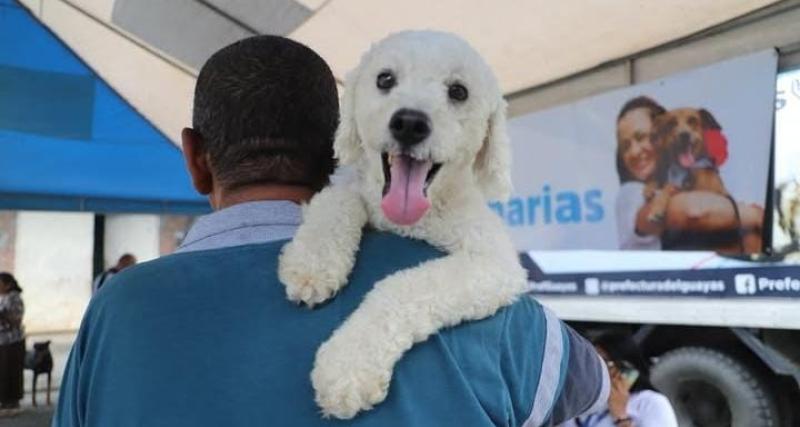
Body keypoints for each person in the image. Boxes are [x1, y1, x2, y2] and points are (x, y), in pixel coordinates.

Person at [54, 35, 608, 426]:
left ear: (195, 159)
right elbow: (594, 388)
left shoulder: (114, 311)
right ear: (338, 149)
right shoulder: (491, 312)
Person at [614, 96, 763, 252]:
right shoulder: (630, 193)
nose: (683, 131)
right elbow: (693, 211)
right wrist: (751, 215)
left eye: (643, 137)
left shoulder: (702, 175)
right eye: (626, 146)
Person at [562, 331, 677, 427]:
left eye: (605, 363)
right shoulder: (583, 399)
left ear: (624, 369)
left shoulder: (650, 403)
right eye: (591, 362)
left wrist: (621, 417)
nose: (595, 369)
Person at [0, 272, 25, 416]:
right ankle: (4, 401)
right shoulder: (2, 298)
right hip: (2, 340)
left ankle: (11, 401)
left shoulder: (14, 298)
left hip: (12, 341)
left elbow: (16, 319)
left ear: (8, 284)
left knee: (10, 371)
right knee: (2, 372)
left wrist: (3, 316)